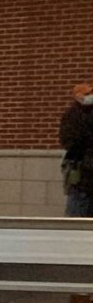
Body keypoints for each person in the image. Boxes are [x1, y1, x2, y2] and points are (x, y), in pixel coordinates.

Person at [61, 83, 93, 218]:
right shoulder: (73, 115)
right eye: (86, 94)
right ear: (77, 96)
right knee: (77, 210)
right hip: (81, 171)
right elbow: (71, 142)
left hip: (86, 170)